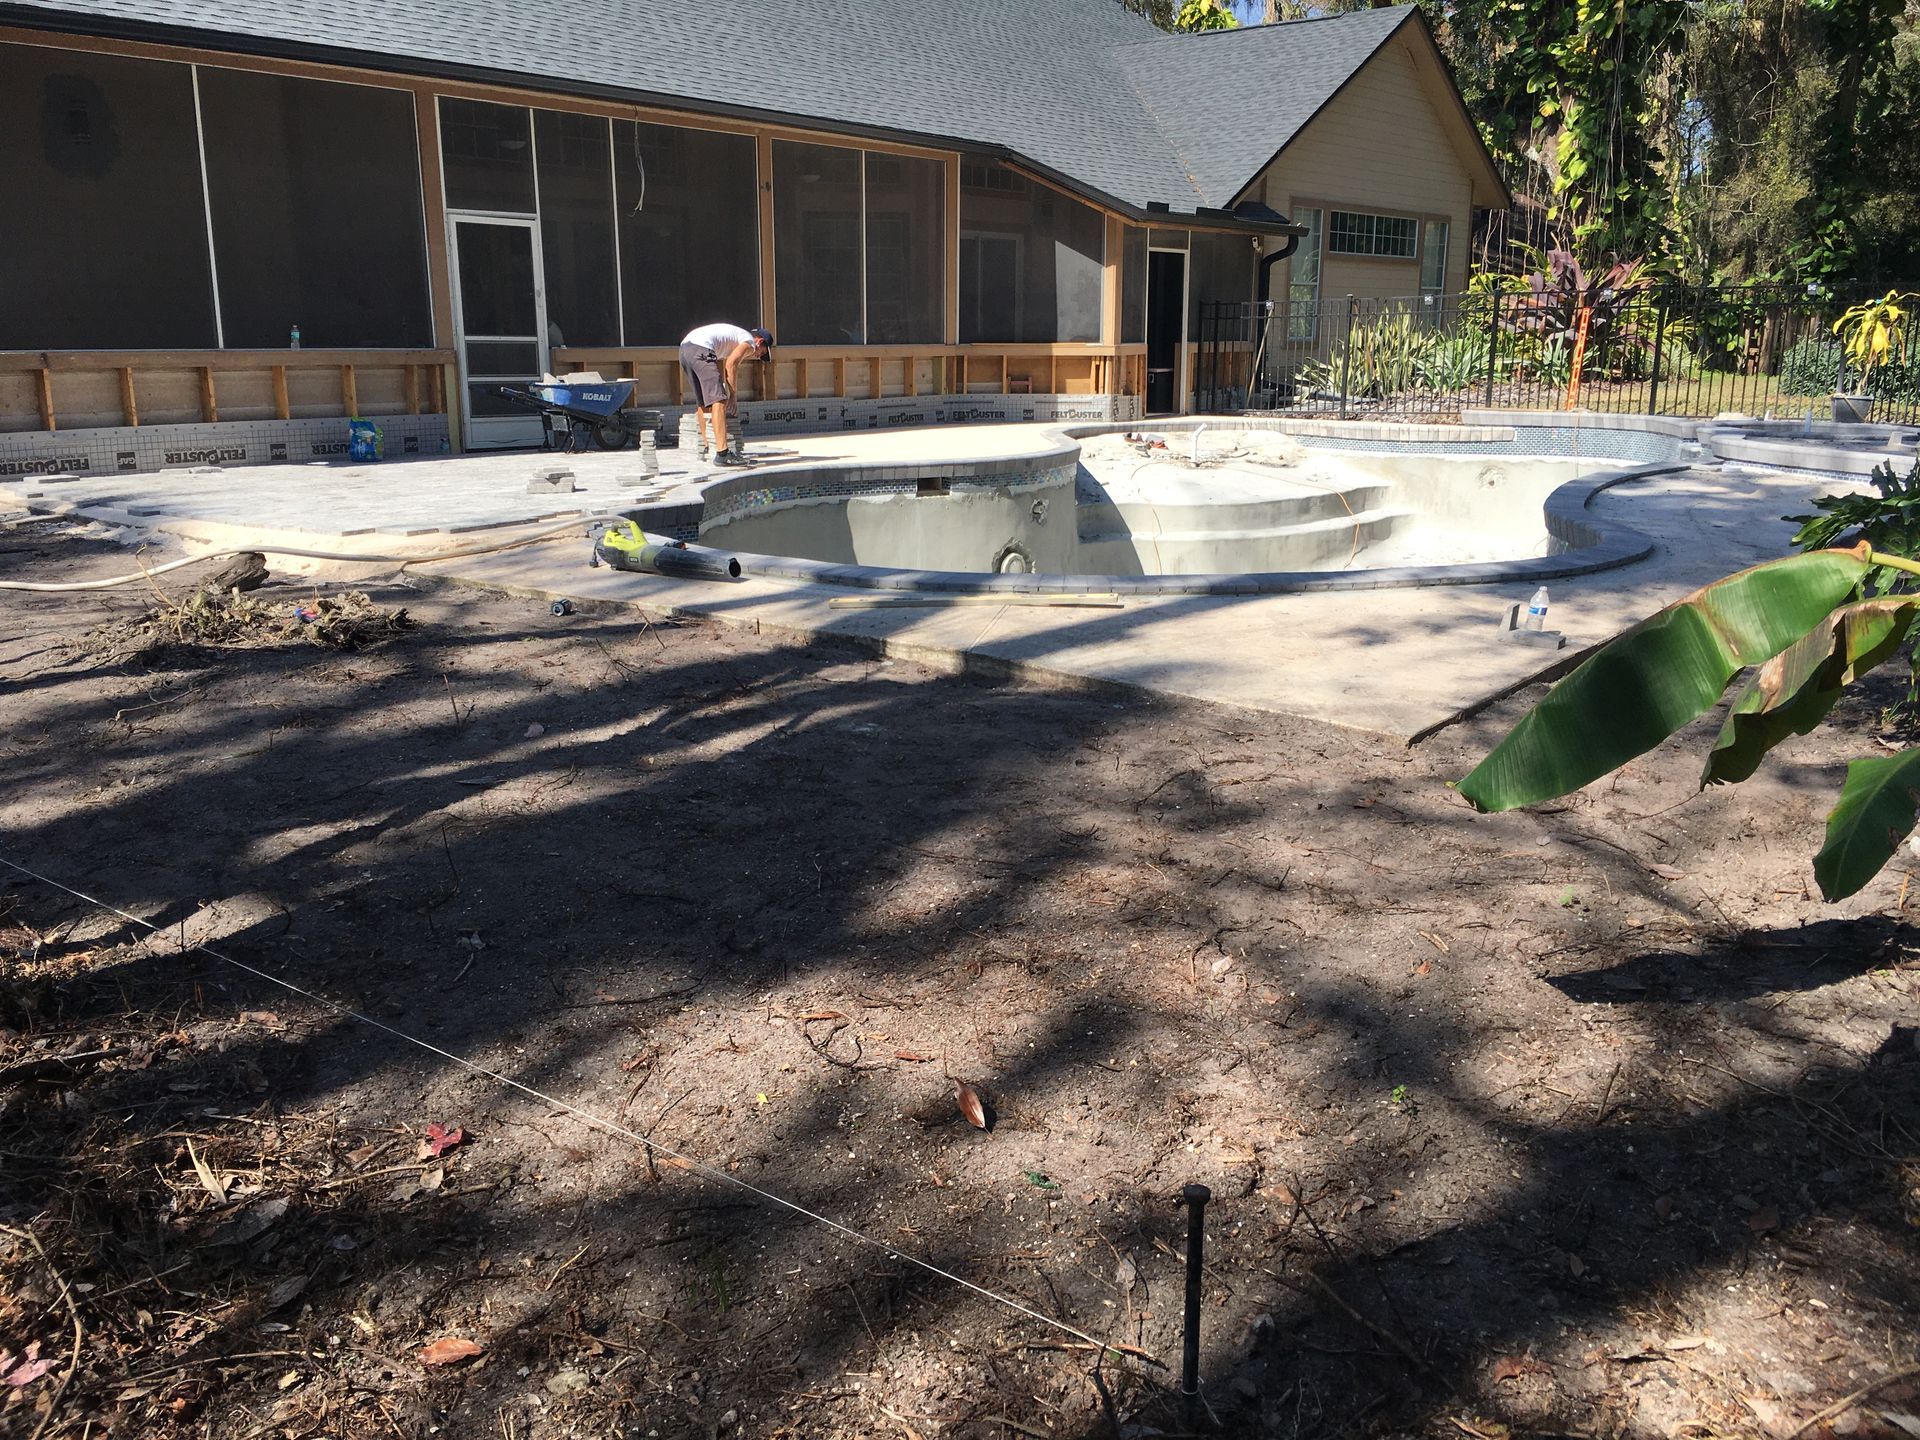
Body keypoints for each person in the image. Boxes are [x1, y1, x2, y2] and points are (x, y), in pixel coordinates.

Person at [679, 323, 772, 465]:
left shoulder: (735, 337)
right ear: (759, 342)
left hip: (685, 349)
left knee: (704, 403)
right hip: (701, 348)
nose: (759, 356)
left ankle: (707, 447)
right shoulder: (749, 342)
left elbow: (728, 364)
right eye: (763, 353)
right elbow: (730, 364)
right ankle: (723, 454)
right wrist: (732, 396)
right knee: (719, 399)